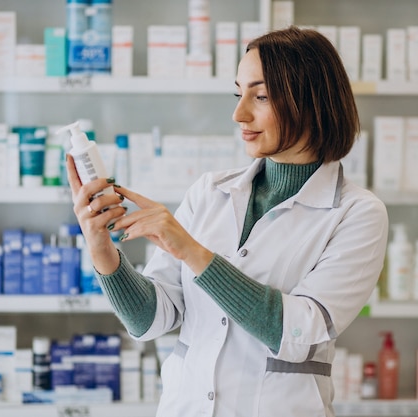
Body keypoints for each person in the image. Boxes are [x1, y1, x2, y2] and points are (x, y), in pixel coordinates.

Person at [67, 26, 388, 417]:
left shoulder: (357, 214)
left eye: (262, 95)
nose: (239, 114)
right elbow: (151, 320)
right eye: (239, 93)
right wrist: (101, 248)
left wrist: (193, 252)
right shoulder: (210, 192)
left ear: (312, 101)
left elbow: (297, 333)